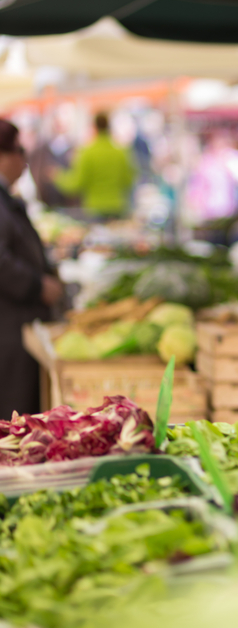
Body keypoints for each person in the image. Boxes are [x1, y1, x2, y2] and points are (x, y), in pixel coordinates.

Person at [0, 119, 63, 418]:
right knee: (14, 416)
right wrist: (38, 286)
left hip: (17, 326)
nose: (25, 161)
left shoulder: (6, 200)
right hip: (9, 329)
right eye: (20, 152)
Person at [54, 112, 136, 219]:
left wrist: (58, 177)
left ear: (94, 128)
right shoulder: (121, 152)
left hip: (95, 209)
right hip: (118, 207)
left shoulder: (87, 152)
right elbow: (128, 180)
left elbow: (77, 183)